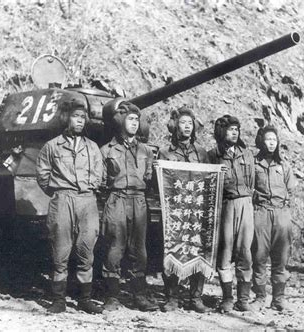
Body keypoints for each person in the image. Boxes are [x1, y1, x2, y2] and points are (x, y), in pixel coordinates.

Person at [36, 99, 103, 314]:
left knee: (86, 250)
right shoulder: (52, 146)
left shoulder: (92, 147)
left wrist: (88, 189)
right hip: (62, 199)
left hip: (87, 200)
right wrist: (59, 191)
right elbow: (43, 175)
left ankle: (85, 298)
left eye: (83, 118)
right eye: (76, 117)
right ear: (66, 119)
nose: (80, 121)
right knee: (60, 250)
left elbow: (99, 174)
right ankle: (58, 300)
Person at [100, 102, 158, 312]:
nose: (134, 123)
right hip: (117, 199)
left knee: (139, 250)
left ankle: (139, 295)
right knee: (115, 248)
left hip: (139, 200)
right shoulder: (106, 150)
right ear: (121, 122)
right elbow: (101, 179)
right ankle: (112, 296)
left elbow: (149, 176)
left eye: (136, 120)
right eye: (130, 119)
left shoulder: (146, 151)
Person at [157, 106, 209, 313]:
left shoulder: (202, 153)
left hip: (196, 210)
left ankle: (195, 297)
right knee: (172, 249)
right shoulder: (164, 152)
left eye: (190, 123)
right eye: (182, 123)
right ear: (175, 126)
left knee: (199, 250)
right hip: (175, 211)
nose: (187, 127)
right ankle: (172, 297)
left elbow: (209, 181)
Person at [208, 115, 255, 313]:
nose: (234, 133)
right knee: (225, 252)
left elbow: (251, 181)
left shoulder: (246, 154)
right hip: (225, 205)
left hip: (245, 204)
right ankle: (227, 297)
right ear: (221, 132)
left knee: (245, 252)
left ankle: (243, 298)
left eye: (236, 129)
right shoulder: (213, 155)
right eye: (230, 129)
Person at [251, 125, 296, 311]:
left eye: (274, 140)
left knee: (281, 257)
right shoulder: (253, 164)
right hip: (261, 212)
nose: (271, 143)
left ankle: (279, 298)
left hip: (281, 213)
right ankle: (260, 297)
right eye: (268, 139)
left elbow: (291, 189)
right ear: (261, 141)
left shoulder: (284, 165)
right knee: (259, 255)